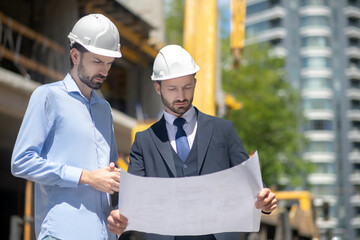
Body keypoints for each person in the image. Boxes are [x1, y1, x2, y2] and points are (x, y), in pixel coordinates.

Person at [107, 45, 277, 240]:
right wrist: (119, 214)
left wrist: (264, 197)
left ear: (195, 83)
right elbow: (132, 195)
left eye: (187, 87)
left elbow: (249, 179)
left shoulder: (223, 131)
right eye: (172, 89)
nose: (181, 96)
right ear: (157, 87)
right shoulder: (144, 141)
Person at [11, 14, 124, 240]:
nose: (104, 71)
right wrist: (85, 177)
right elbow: (21, 162)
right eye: (97, 61)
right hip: (62, 234)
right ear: (75, 56)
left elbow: (110, 175)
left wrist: (117, 212)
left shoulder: (105, 110)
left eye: (109, 64)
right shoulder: (48, 97)